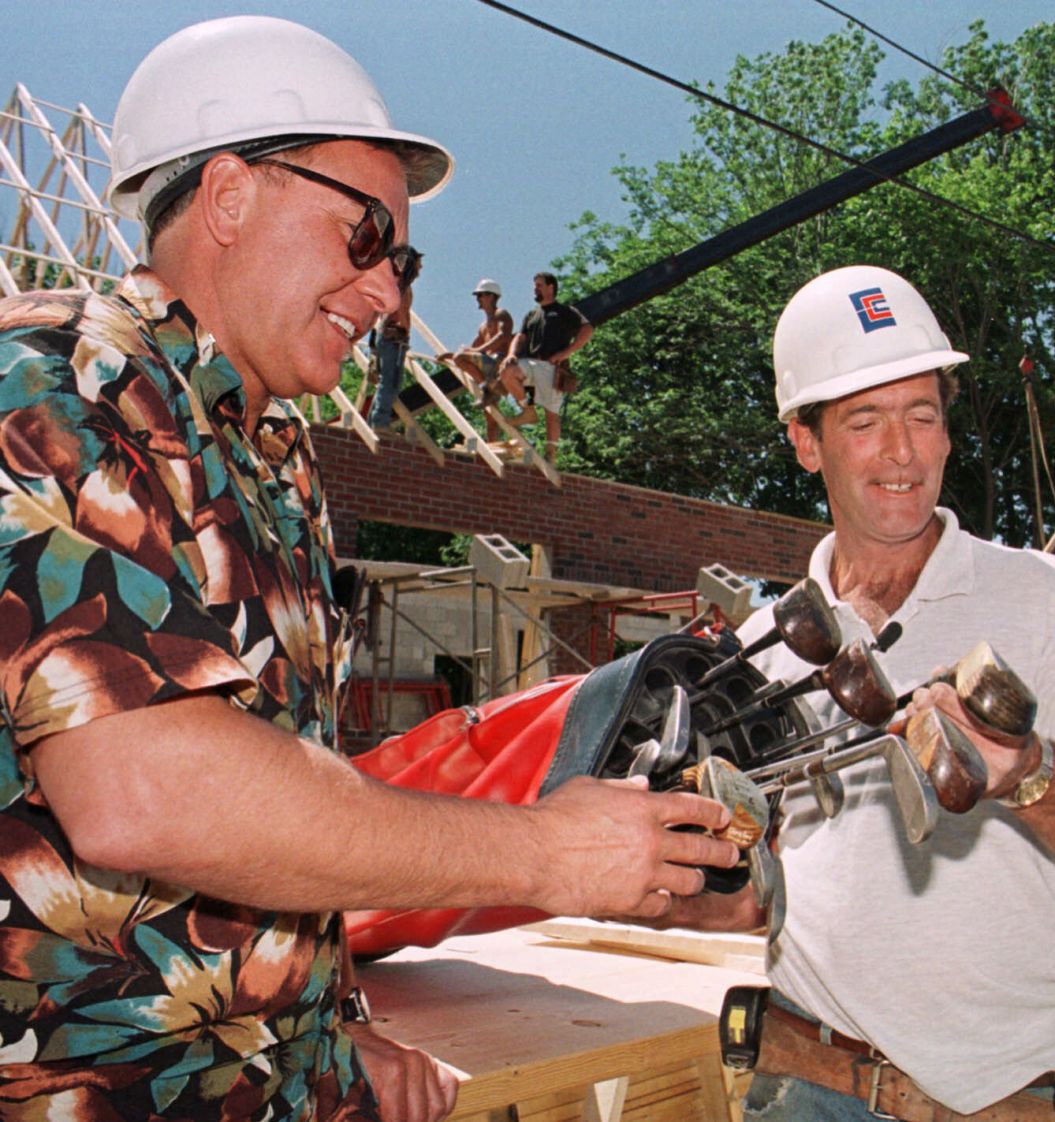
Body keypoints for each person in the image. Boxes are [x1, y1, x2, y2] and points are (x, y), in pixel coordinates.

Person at [0, 17, 738, 1122]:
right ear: (231, 195)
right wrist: (544, 852)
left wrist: (331, 1016)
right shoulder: (52, 382)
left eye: (405, 261)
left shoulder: (276, 465)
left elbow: (287, 787)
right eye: (367, 236)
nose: (390, 295)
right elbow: (146, 790)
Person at [663, 265, 1055, 1121]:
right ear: (805, 440)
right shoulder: (760, 650)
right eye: (864, 421)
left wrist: (1027, 771)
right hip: (807, 1085)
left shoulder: (1047, 599)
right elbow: (758, 888)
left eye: (923, 416)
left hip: (1004, 1097)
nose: (901, 453)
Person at [502, 271, 592, 464]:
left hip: (552, 368)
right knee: (508, 372)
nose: (535, 289)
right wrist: (511, 354)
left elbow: (587, 329)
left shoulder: (565, 311)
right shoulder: (531, 314)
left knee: (551, 414)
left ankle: (551, 454)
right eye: (535, 286)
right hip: (530, 363)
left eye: (539, 285)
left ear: (551, 287)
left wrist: (566, 353)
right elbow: (520, 337)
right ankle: (527, 410)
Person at [440, 278, 517, 439]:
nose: (478, 299)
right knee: (490, 415)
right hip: (488, 369)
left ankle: (486, 388)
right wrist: (450, 355)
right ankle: (491, 444)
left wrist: (473, 351)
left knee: (460, 357)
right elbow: (470, 349)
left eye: (481, 295)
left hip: (498, 363)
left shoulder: (501, 314)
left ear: (492, 296)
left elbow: (503, 336)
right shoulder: (483, 327)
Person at [367, 250, 422, 431]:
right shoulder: (401, 286)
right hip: (393, 338)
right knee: (389, 383)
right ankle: (379, 423)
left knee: (388, 383)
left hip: (390, 338)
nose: (420, 268)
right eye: (418, 264)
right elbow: (400, 312)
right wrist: (405, 332)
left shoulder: (401, 285)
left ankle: (374, 421)